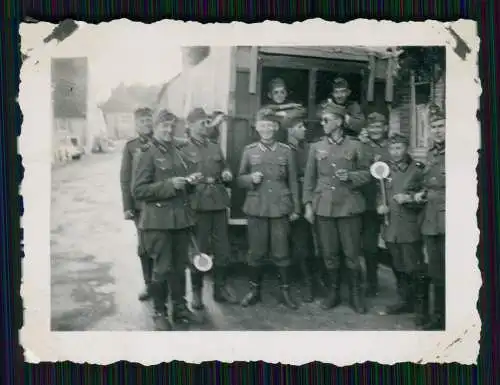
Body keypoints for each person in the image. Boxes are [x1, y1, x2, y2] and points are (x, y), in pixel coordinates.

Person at [132, 109, 203, 331]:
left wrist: (189, 182)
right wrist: (170, 185)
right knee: (161, 269)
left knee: (179, 267)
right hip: (158, 222)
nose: (169, 130)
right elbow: (138, 190)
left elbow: (180, 184)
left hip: (180, 220)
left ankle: (180, 308)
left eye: (172, 126)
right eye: (164, 126)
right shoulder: (146, 153)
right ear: (155, 127)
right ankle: (159, 312)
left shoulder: (177, 151)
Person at [303, 101, 371, 314]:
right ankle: (333, 293)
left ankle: (355, 295)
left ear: (339, 122)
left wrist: (351, 176)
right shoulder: (316, 147)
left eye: (326, 119)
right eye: (322, 119)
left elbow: (368, 173)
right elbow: (309, 179)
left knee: (351, 253)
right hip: (324, 206)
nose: (322, 123)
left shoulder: (355, 145)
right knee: (329, 252)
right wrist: (307, 205)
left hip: (349, 205)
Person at [238, 107, 301, 310]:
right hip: (257, 207)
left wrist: (296, 208)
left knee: (282, 252)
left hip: (280, 208)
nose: (266, 129)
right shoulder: (249, 151)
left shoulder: (286, 151)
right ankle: (254, 291)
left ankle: (285, 292)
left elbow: (293, 181)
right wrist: (249, 179)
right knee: (256, 252)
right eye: (262, 125)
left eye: (270, 125)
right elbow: (239, 179)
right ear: (257, 127)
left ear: (275, 127)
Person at [183, 107, 238, 309]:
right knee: (199, 251)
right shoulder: (183, 149)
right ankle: (197, 295)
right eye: (201, 123)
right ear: (189, 125)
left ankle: (219, 289)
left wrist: (227, 173)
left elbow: (224, 166)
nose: (205, 126)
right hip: (197, 205)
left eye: (207, 122)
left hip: (218, 203)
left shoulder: (215, 147)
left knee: (223, 249)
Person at [376, 133, 426, 319]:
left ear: (407, 149)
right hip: (391, 228)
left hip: (409, 226)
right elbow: (379, 193)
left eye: (399, 148)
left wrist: (409, 199)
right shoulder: (384, 170)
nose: (395, 152)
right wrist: (379, 205)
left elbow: (425, 196)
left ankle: (420, 307)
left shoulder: (417, 170)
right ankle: (405, 301)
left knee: (414, 267)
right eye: (392, 148)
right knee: (398, 266)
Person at [285, 107, 324, 302]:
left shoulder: (308, 147)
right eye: (300, 126)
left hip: (310, 199)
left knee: (311, 243)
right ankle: (307, 284)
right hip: (293, 203)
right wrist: (293, 205)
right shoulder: (284, 150)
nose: (303, 129)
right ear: (290, 129)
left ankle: (315, 280)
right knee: (300, 245)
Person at [414, 110, 446, 330]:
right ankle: (438, 317)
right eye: (433, 127)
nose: (437, 131)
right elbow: (429, 182)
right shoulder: (430, 154)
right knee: (435, 269)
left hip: (450, 216)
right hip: (431, 218)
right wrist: (422, 193)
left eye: (442, 126)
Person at [119, 107, 154, 301]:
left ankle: (161, 284)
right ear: (135, 124)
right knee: (144, 247)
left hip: (161, 203)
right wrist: (127, 207)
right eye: (142, 121)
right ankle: (149, 285)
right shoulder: (131, 147)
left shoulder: (161, 142)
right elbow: (125, 179)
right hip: (141, 207)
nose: (146, 124)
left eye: (149, 120)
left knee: (162, 246)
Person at [360, 111, 392, 298]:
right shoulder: (363, 147)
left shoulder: (393, 146)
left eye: (378, 126)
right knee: (369, 246)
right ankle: (372, 282)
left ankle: (404, 285)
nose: (375, 130)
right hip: (369, 203)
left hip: (390, 202)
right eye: (371, 127)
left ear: (385, 128)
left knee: (394, 244)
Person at [261, 77, 306, 143]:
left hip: (289, 141)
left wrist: (284, 114)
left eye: (282, 92)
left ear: (286, 94)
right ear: (270, 95)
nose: (279, 95)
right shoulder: (266, 106)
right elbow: (264, 112)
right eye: (276, 92)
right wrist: (277, 114)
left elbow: (302, 110)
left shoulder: (292, 104)